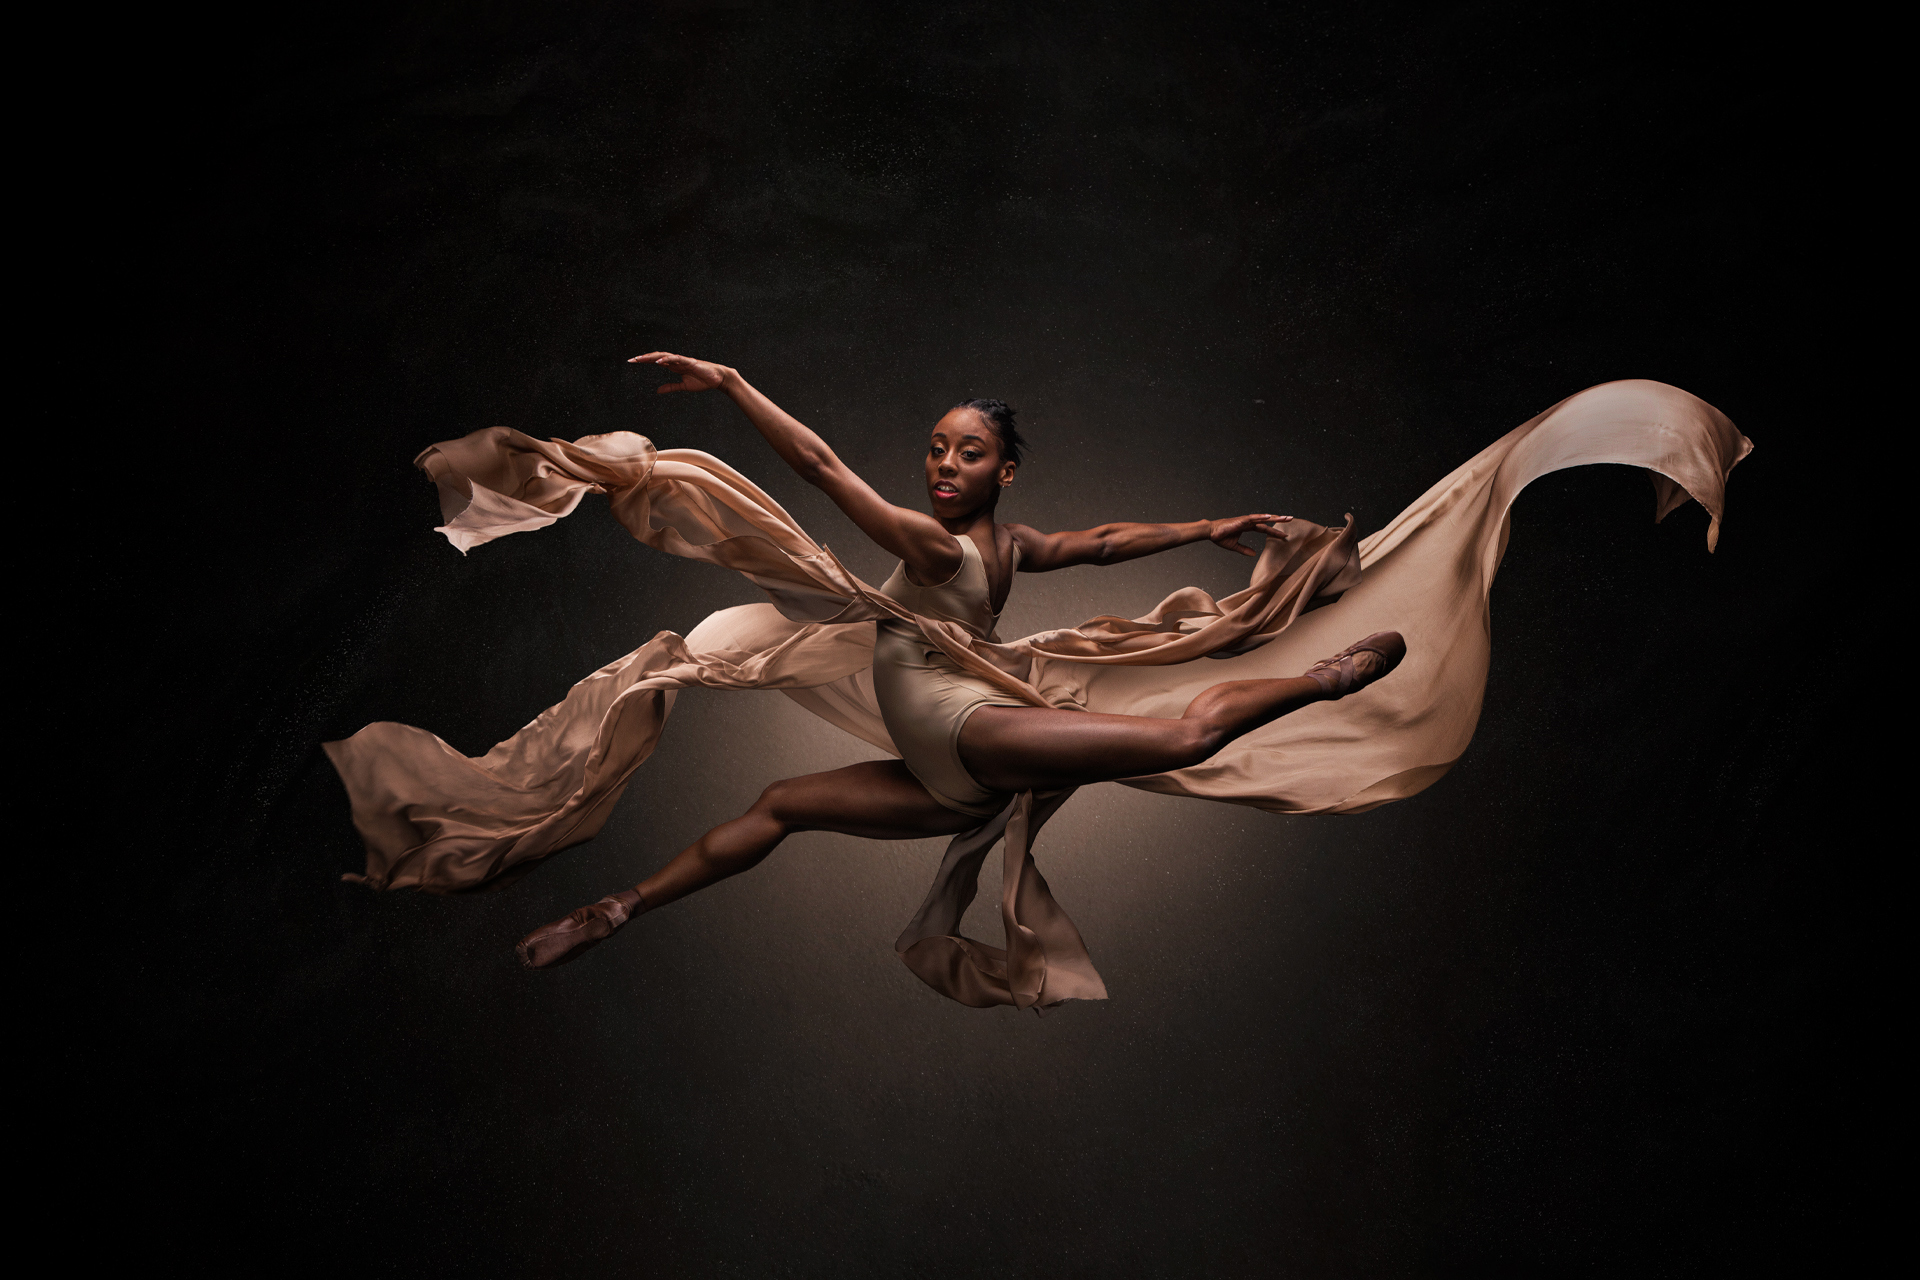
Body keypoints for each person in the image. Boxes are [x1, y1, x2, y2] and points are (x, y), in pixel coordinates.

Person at [515, 353, 1405, 969]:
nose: (943, 467)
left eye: (968, 453)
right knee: (779, 805)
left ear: (1004, 472)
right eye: (936, 449)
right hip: (938, 781)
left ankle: (1330, 677)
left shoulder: (943, 552)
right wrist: (1201, 527)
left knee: (1180, 740)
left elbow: (829, 468)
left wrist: (735, 384)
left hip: (971, 734)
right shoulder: (986, 544)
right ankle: (616, 909)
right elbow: (1097, 542)